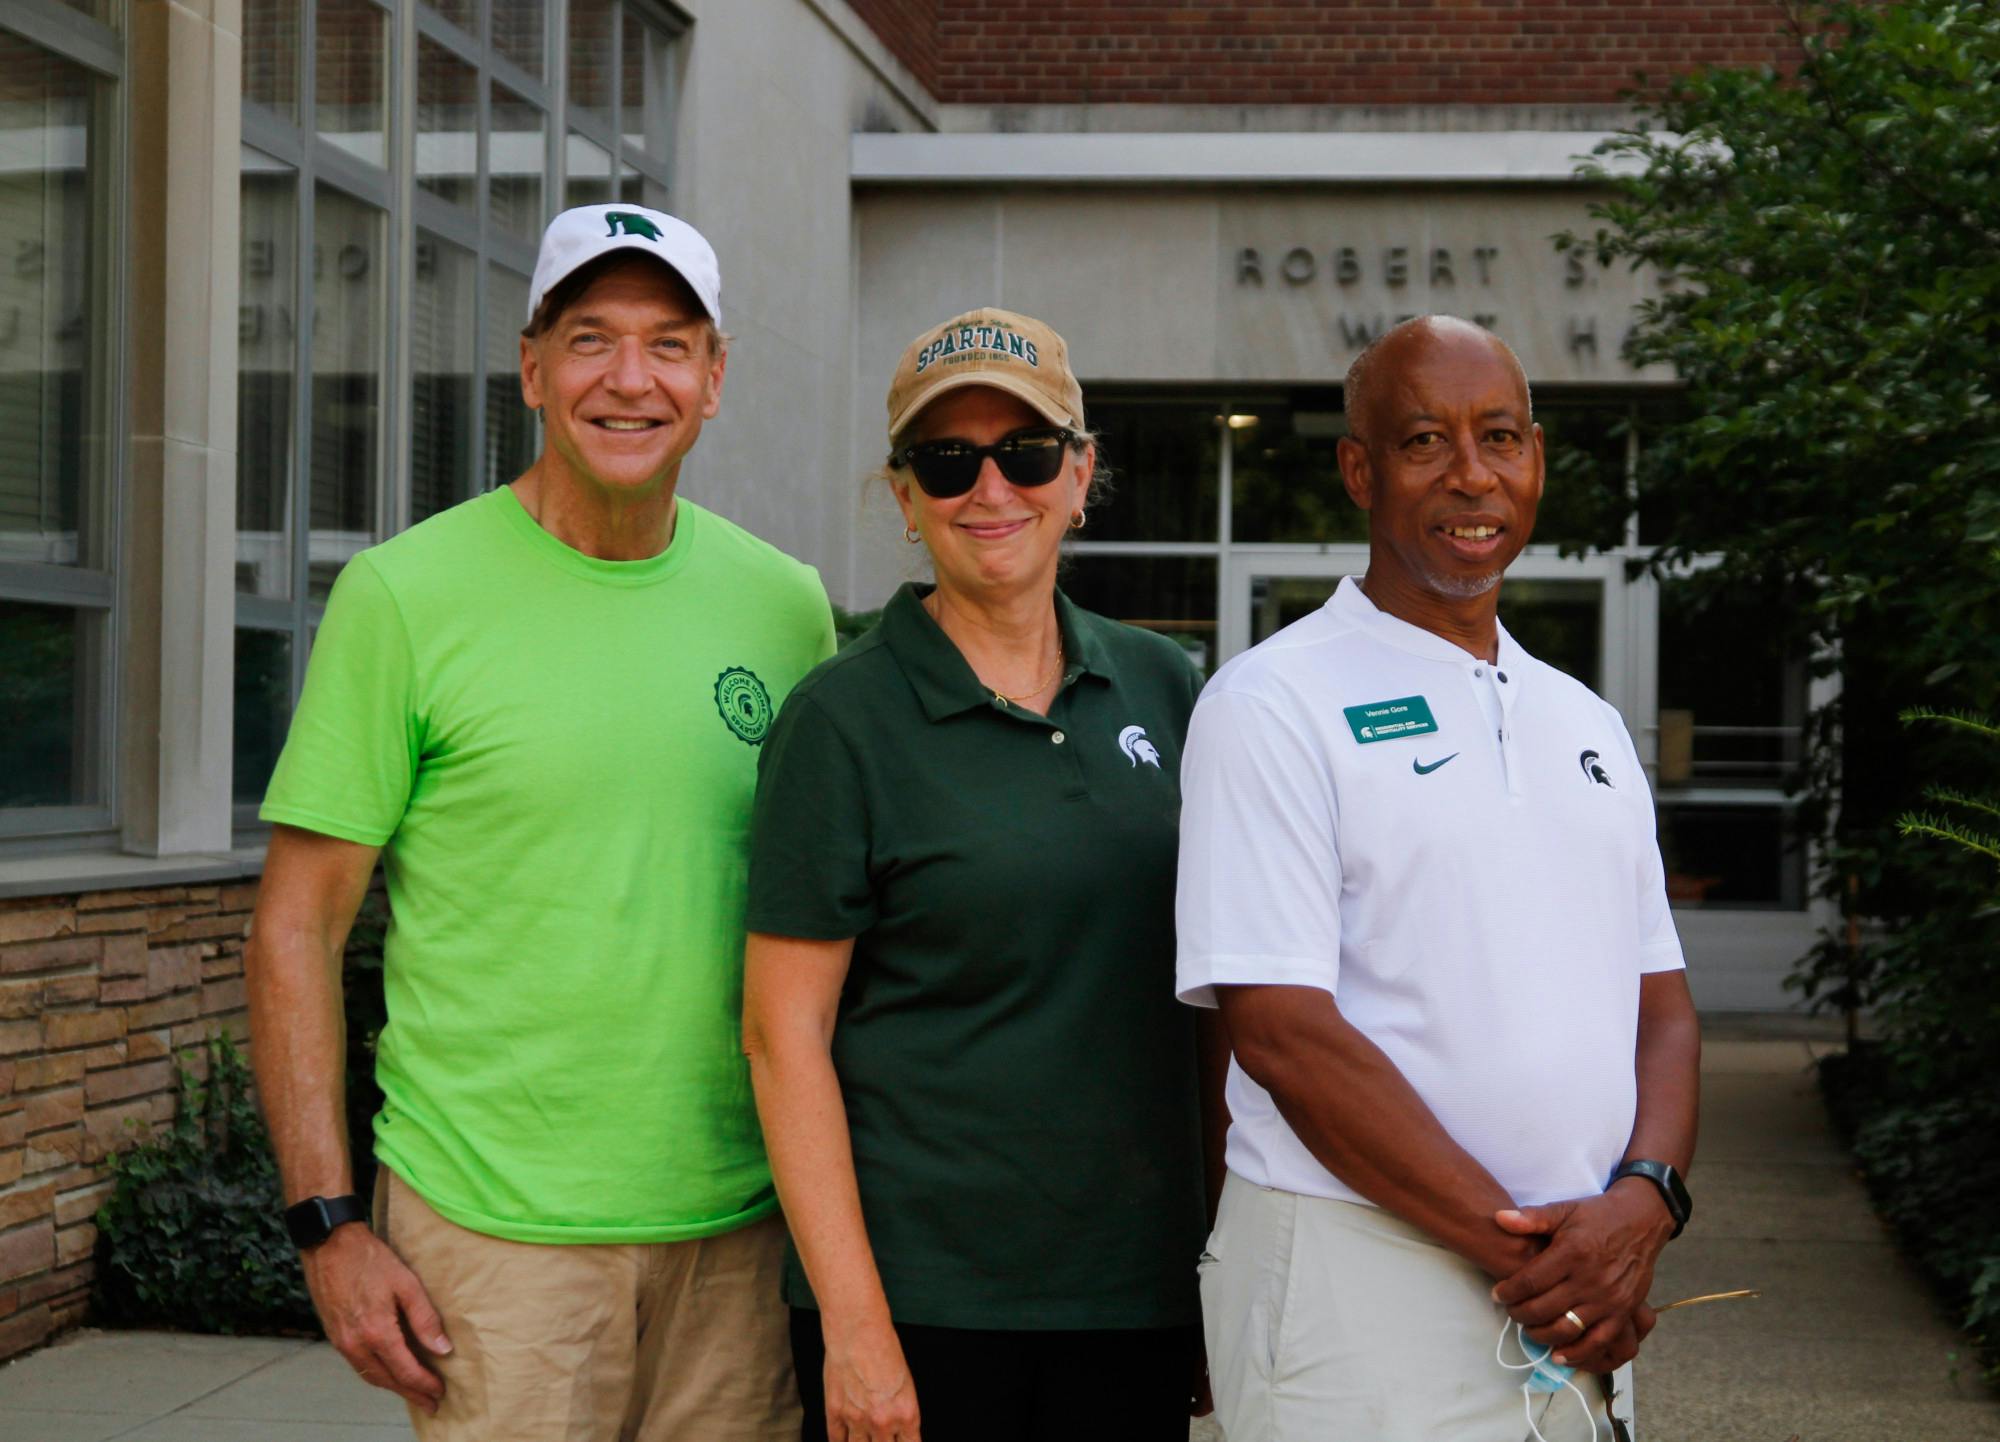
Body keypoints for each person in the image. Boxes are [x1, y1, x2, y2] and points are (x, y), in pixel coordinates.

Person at [244, 203, 835, 1442]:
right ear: (531, 369)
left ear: (715, 378)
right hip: (491, 1234)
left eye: (669, 344)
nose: (631, 379)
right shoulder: (405, 595)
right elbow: (296, 926)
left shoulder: (784, 608)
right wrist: (327, 1222)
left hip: (739, 1230)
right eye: (590, 339)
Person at [1177, 315, 1700, 1442]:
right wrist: (1539, 1255)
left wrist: (1643, 1197)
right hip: (1358, 1284)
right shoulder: (1270, 704)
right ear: (1359, 469)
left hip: (1574, 1298)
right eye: (1424, 440)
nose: (1472, 474)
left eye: (1498, 436)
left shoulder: (1586, 719)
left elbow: (1659, 1006)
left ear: (1536, 459)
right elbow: (1281, 1033)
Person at [741, 307, 1217, 1442]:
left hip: (1129, 1298)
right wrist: (854, 1326)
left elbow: (1216, 1010)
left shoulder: (1172, 689)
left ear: (1080, 473)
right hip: (922, 1306)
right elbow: (781, 1037)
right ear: (905, 496)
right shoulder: (839, 721)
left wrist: (1214, 1262)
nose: (989, 487)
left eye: (1028, 451)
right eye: (946, 460)